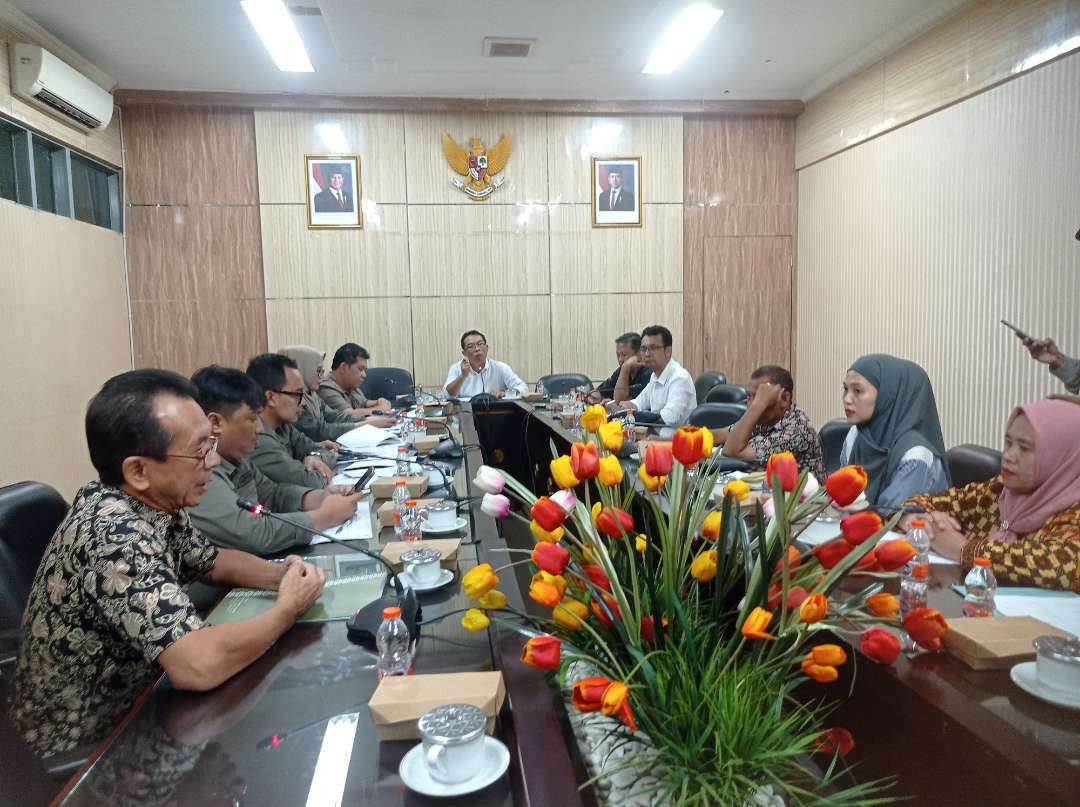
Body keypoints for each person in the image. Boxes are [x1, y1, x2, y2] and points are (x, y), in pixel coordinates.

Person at [10, 369, 326, 759]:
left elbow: (212, 561)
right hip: (92, 742)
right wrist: (286, 610)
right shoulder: (113, 534)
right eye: (199, 450)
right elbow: (198, 665)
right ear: (138, 470)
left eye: (211, 443)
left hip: (148, 699)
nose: (213, 461)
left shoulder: (153, 503)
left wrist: (280, 576)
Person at [903, 398, 1080, 592]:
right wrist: (917, 518)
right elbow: (921, 501)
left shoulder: (1074, 510)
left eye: (1024, 448)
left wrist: (962, 549)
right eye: (1008, 442)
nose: (1009, 455)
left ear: (1063, 457)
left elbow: (1059, 565)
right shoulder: (1000, 491)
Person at [187, 365, 362, 555]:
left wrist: (319, 498)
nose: (259, 429)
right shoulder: (199, 470)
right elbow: (253, 533)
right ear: (215, 423)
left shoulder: (236, 457)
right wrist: (325, 516)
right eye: (252, 419)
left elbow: (272, 494)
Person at [839, 354, 950, 509]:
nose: (847, 399)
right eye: (845, 389)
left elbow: (892, 517)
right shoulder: (855, 435)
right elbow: (841, 495)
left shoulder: (916, 456)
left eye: (857, 391)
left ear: (888, 396)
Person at [718, 365, 825, 480]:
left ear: (784, 398)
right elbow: (724, 435)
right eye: (749, 396)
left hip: (803, 497)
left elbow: (731, 451)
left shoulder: (796, 428)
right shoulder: (766, 418)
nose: (750, 404)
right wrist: (697, 434)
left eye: (760, 397)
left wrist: (759, 405)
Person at [247, 354, 336, 488]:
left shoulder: (284, 426)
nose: (303, 403)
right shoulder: (258, 439)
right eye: (297, 394)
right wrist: (321, 471)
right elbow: (310, 482)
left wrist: (315, 457)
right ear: (271, 397)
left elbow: (326, 452)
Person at [279, 345, 393, 440]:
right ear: (300, 369)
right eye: (318, 371)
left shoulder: (311, 395)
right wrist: (364, 424)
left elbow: (336, 416)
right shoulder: (294, 400)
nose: (322, 376)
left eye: (322, 371)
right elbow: (320, 431)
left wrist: (366, 419)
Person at [606, 325, 695, 427]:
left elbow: (668, 418)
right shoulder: (655, 376)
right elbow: (639, 403)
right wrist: (621, 408)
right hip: (656, 436)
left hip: (675, 439)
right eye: (644, 349)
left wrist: (632, 413)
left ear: (668, 351)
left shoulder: (679, 378)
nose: (647, 354)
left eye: (653, 348)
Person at [444, 329, 528, 399]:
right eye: (470, 346)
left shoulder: (500, 368)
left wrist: (503, 393)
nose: (477, 349)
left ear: (487, 348)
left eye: (480, 344)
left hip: (496, 414)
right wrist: (462, 376)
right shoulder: (456, 368)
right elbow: (447, 395)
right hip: (467, 415)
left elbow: (524, 389)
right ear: (464, 353)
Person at [318, 343, 392, 416]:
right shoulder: (325, 387)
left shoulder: (349, 386)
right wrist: (380, 409)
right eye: (360, 369)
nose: (364, 375)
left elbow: (364, 403)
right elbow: (348, 415)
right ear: (344, 367)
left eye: (364, 370)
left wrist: (379, 402)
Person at [589, 332, 652, 402]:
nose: (620, 359)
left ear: (639, 353)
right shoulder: (620, 371)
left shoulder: (649, 373)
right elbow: (600, 392)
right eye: (618, 355)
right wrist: (594, 397)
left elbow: (623, 402)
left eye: (624, 355)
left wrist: (625, 368)